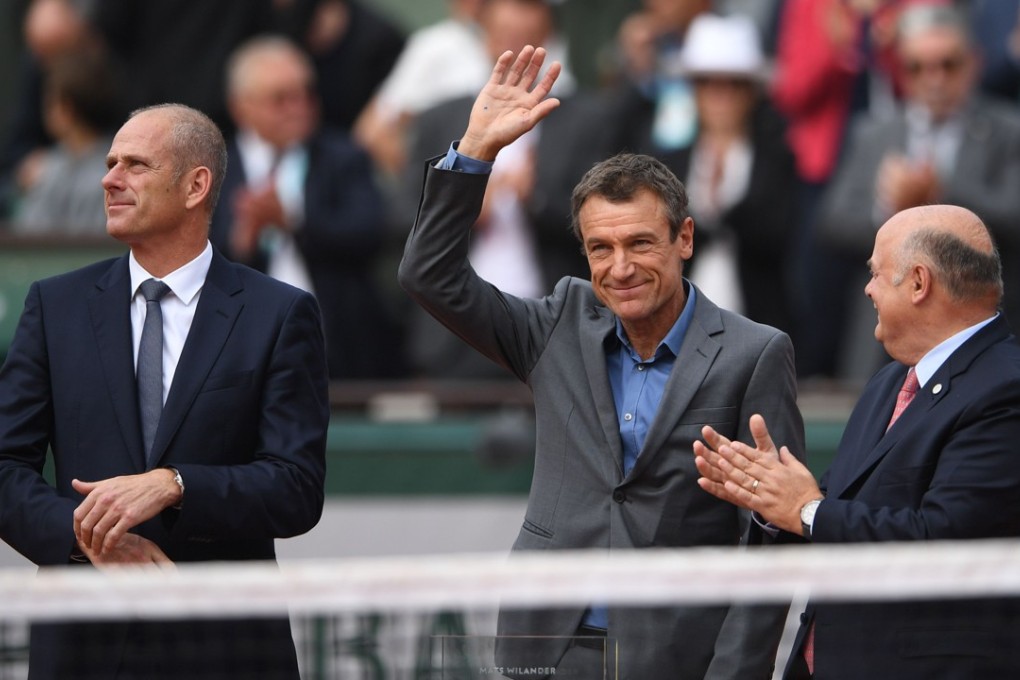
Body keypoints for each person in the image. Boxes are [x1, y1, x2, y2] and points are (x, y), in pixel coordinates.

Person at [398, 46, 804, 680]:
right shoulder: (559, 321)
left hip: (676, 654)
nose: (620, 267)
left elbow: (771, 538)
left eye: (641, 243)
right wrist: (475, 150)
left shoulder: (754, 353)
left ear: (684, 239)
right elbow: (429, 275)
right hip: (546, 644)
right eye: (601, 247)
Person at [0, 103, 329, 678]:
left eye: (135, 164)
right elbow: (4, 465)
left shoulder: (279, 313)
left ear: (195, 185)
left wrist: (176, 485)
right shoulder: (55, 307)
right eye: (109, 163)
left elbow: (296, 487)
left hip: (224, 648)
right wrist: (90, 540)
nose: (109, 178)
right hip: (84, 647)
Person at [694, 203, 1020, 679]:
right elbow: (834, 516)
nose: (866, 288)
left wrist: (807, 511)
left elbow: (942, 541)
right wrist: (773, 502)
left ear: (918, 283)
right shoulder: (887, 384)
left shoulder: (1005, 389)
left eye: (875, 273)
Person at [816, 3, 1020, 380]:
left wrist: (938, 194)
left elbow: (1014, 214)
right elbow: (834, 220)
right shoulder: (875, 134)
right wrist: (890, 208)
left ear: (973, 63)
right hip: (882, 331)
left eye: (948, 64)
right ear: (901, 71)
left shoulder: (1008, 130)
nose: (934, 78)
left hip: (979, 326)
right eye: (917, 67)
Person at [211, 35, 401, 379]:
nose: (299, 106)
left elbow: (369, 231)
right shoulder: (214, 169)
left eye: (305, 93)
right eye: (281, 98)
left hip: (339, 347)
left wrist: (293, 222)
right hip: (240, 350)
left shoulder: (344, 156)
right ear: (241, 106)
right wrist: (246, 236)